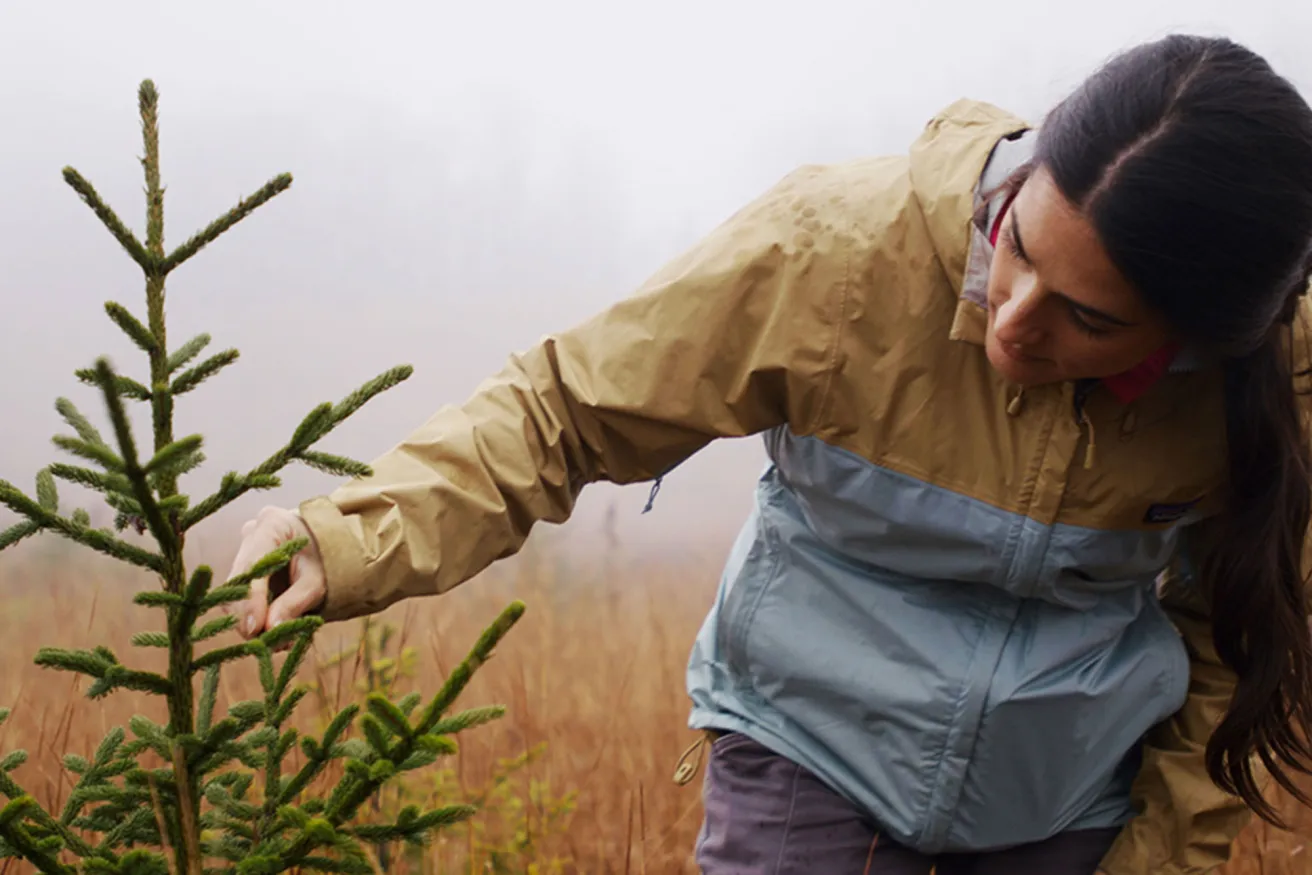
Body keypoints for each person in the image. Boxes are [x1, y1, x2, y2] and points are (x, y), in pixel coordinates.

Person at [225, 33, 1312, 874]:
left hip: (1070, 790)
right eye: (1014, 247)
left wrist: (1157, 857)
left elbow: (1238, 639)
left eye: (1087, 317)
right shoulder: (834, 250)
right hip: (808, 744)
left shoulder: (1270, 376)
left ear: (1196, 339)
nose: (1012, 319)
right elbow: (566, 409)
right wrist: (347, 536)